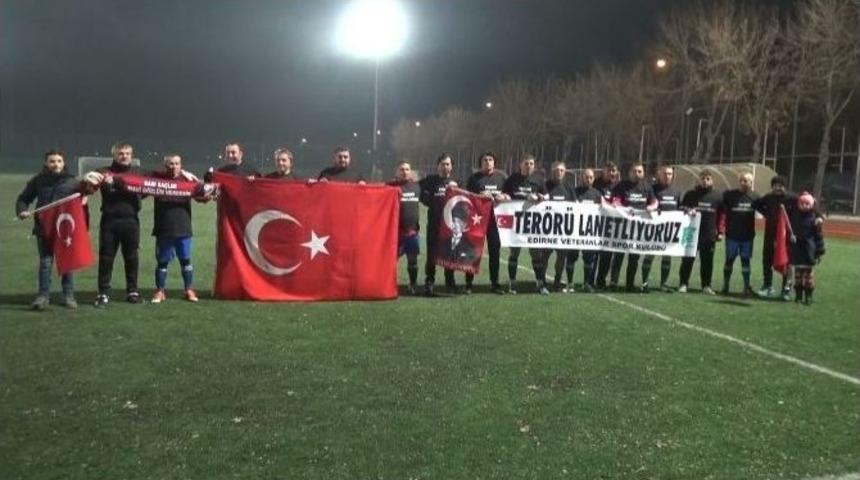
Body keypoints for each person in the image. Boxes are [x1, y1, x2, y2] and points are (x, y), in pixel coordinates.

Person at [15, 149, 85, 310]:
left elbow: (83, 199)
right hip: (43, 228)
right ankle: (43, 296)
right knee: (46, 263)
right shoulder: (38, 181)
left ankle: (68, 296)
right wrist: (21, 211)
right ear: (46, 163)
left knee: (67, 263)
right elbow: (23, 199)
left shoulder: (72, 181)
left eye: (59, 161)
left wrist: (86, 195)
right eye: (52, 161)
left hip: (65, 230)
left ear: (64, 162)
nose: (55, 164)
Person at [88, 142, 144, 307]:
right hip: (110, 221)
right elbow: (87, 184)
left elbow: (163, 180)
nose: (124, 156)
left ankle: (132, 291)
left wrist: (183, 173)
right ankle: (103, 293)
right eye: (120, 153)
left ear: (131, 155)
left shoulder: (139, 172)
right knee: (106, 258)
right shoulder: (103, 172)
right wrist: (87, 178)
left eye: (127, 153)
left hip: (131, 220)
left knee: (131, 257)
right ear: (114, 155)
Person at [150, 154, 201, 304]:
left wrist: (195, 179)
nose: (174, 166)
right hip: (164, 228)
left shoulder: (187, 180)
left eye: (177, 163)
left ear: (181, 165)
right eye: (171, 164)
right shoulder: (157, 181)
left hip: (183, 227)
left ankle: (189, 290)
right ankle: (160, 291)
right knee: (162, 262)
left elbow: (201, 195)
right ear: (165, 165)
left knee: (185, 260)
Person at [502, 154, 549, 294]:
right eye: (526, 163)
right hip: (516, 223)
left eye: (531, 163)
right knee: (514, 252)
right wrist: (507, 197)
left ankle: (540, 284)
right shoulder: (512, 179)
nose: (528, 166)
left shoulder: (538, 179)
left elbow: (547, 195)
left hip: (532, 223)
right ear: (520, 165)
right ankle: (512, 284)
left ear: (534, 166)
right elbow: (505, 194)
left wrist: (541, 197)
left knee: (535, 254)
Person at [610, 162, 658, 292]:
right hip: (622, 227)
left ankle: (629, 284)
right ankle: (613, 282)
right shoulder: (621, 186)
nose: (637, 174)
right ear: (630, 172)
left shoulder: (647, 187)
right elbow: (615, 201)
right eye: (635, 171)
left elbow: (654, 201)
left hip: (638, 229)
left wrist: (651, 207)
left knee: (634, 257)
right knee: (619, 255)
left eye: (640, 171)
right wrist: (623, 208)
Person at [465, 151, 507, 294]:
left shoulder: (502, 177)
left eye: (490, 159)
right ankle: (468, 284)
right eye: (485, 160)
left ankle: (494, 283)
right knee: (473, 252)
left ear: (494, 162)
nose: (488, 162)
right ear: (480, 163)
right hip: (477, 220)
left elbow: (509, 195)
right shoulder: (474, 179)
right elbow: (467, 197)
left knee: (495, 253)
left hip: (495, 222)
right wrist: (479, 196)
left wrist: (504, 196)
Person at [418, 153, 460, 295]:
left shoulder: (457, 181)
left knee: (450, 255)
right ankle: (429, 282)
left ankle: (450, 282)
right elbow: (417, 190)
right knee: (432, 255)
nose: (445, 166)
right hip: (435, 224)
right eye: (442, 164)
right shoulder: (429, 180)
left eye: (447, 164)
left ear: (451, 167)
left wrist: (457, 188)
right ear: (437, 166)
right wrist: (429, 200)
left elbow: (467, 197)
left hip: (451, 225)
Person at [678, 169, 723, 294]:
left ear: (712, 180)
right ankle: (683, 283)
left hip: (708, 234)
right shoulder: (691, 194)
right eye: (703, 178)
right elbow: (681, 208)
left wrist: (720, 231)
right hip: (691, 232)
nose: (705, 181)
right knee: (687, 259)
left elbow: (722, 215)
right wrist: (688, 209)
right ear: (699, 179)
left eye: (708, 178)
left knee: (707, 260)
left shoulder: (718, 196)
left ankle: (706, 286)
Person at [718, 171, 760, 297]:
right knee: (729, 260)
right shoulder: (729, 195)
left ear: (751, 182)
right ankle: (725, 286)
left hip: (747, 236)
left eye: (746, 180)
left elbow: (766, 209)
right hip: (732, 235)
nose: (743, 183)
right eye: (741, 180)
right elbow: (719, 206)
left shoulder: (756, 197)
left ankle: (746, 287)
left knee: (745, 261)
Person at [641, 165, 682, 292]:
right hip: (654, 229)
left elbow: (680, 208)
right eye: (665, 173)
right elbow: (647, 205)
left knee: (667, 256)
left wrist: (686, 210)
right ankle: (644, 283)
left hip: (669, 230)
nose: (667, 176)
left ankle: (663, 283)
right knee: (650, 255)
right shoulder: (653, 189)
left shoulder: (677, 191)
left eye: (670, 174)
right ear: (660, 175)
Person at [545, 162, 581, 292]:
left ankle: (557, 280)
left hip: (563, 231)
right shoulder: (545, 186)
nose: (559, 172)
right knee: (544, 257)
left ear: (565, 172)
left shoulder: (569, 188)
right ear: (552, 171)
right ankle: (542, 280)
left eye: (561, 170)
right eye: (556, 170)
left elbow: (576, 205)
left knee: (561, 259)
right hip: (546, 230)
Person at [388, 161, 421, 294]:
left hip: (412, 232)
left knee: (412, 261)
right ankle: (389, 285)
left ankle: (413, 285)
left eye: (407, 169)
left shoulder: (417, 186)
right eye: (401, 169)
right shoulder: (389, 186)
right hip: (395, 233)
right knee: (390, 261)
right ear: (396, 172)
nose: (405, 172)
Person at [787, 192, 825, 305]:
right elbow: (790, 231)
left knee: (808, 277)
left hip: (809, 252)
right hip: (797, 252)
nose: (804, 206)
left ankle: (808, 296)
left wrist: (820, 251)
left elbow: (819, 237)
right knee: (798, 276)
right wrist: (791, 238)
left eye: (807, 203)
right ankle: (798, 296)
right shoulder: (794, 217)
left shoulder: (815, 219)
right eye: (802, 203)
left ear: (812, 204)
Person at [568, 168, 602, 292]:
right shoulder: (575, 192)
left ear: (593, 178)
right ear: (581, 178)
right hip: (575, 231)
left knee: (589, 258)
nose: (588, 179)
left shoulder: (597, 194)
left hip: (589, 232)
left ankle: (586, 283)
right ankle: (570, 283)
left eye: (591, 177)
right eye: (586, 177)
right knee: (572, 257)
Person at [592, 161, 621, 289]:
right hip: (595, 224)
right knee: (594, 254)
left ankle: (601, 281)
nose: (612, 173)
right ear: (604, 171)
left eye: (614, 171)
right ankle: (589, 280)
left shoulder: (617, 186)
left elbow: (619, 201)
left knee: (607, 255)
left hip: (611, 225)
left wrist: (616, 203)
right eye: (609, 171)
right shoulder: (596, 183)